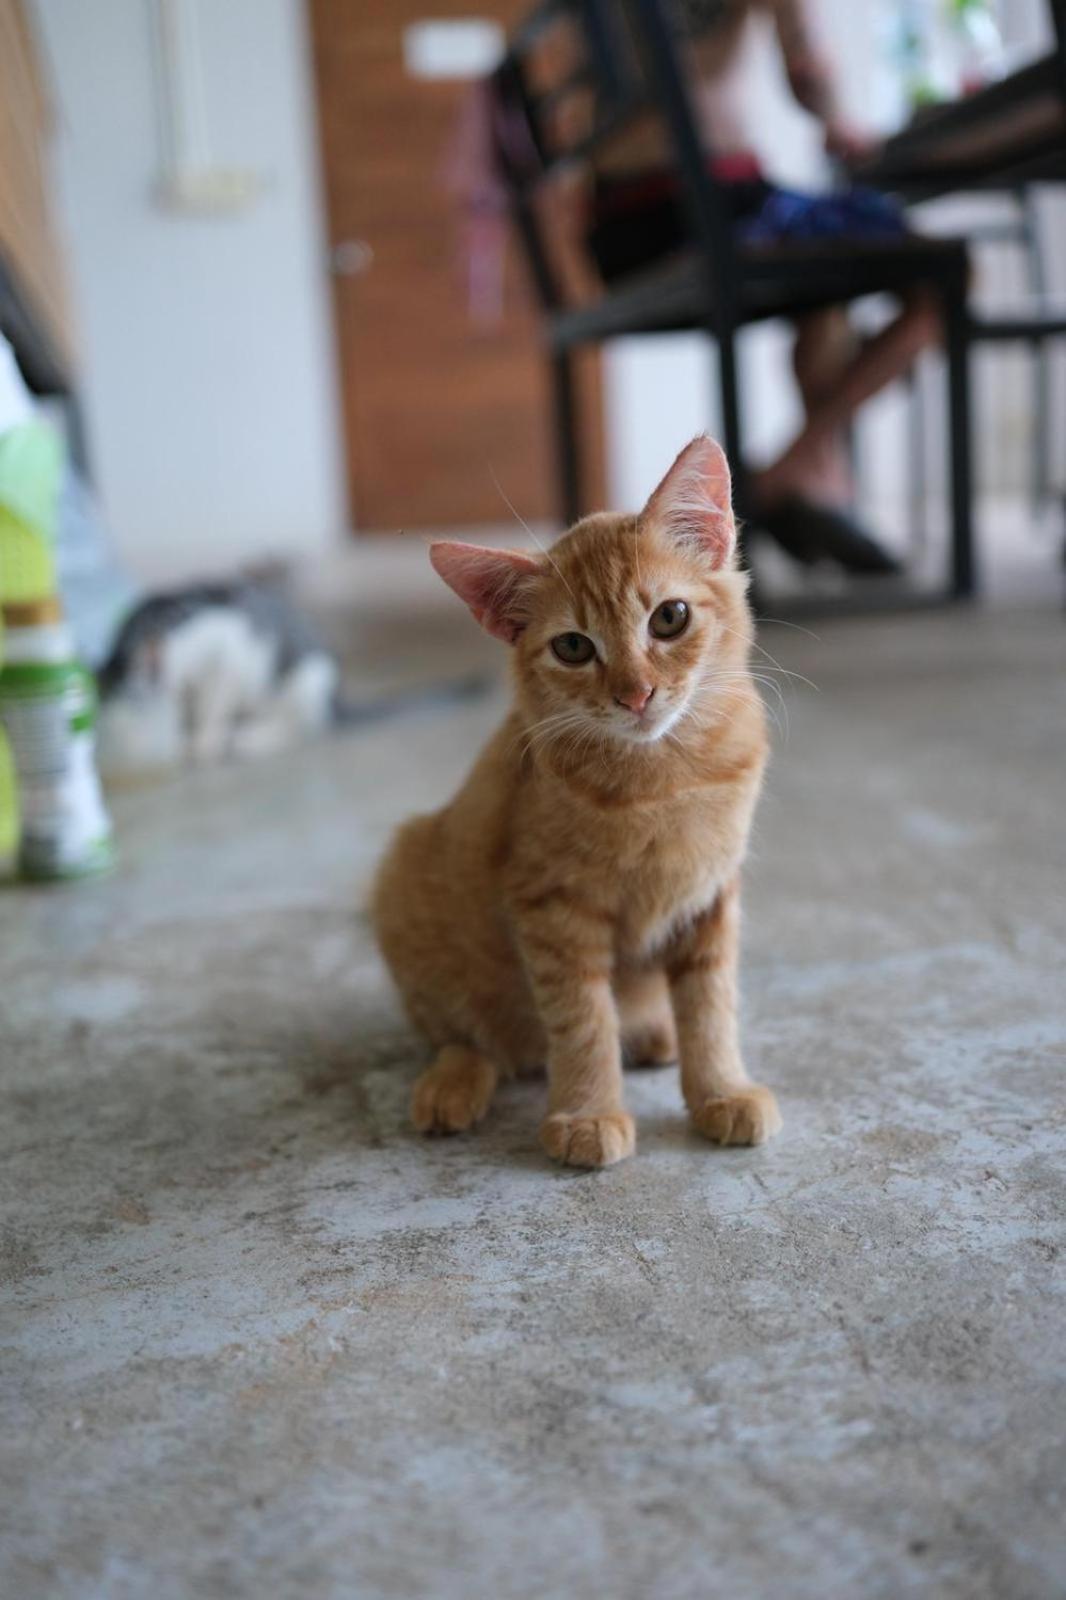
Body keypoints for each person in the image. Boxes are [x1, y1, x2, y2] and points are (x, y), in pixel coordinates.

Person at [583, 0, 944, 574]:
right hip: (712, 204)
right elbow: (807, 70)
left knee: (824, 294)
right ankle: (783, 478)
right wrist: (836, 121)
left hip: (615, 225)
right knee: (940, 278)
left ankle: (819, 488)